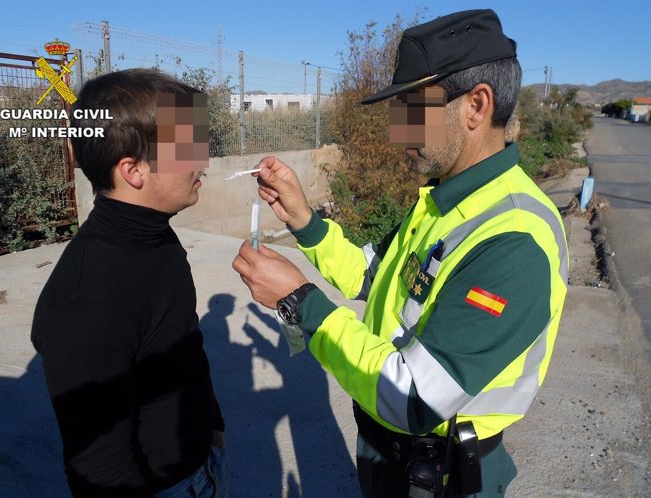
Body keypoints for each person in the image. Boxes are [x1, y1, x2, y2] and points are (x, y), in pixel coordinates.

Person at [233, 9, 568, 498]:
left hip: (441, 475)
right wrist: (304, 221)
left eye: (412, 111)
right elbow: (378, 278)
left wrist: (300, 302)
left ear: (476, 105)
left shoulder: (514, 239)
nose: (397, 133)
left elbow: (414, 397)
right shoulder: (445, 199)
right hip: (392, 456)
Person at [31, 68, 228, 498]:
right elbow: (99, 466)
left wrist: (211, 421)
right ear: (133, 170)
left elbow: (183, 343)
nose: (203, 161)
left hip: (201, 467)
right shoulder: (85, 300)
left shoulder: (156, 235)